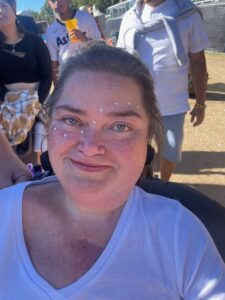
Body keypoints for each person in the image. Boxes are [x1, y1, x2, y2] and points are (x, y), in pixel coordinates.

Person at [0, 42, 224, 298]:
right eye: (72, 120)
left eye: (120, 126)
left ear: (147, 139)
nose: (91, 146)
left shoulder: (179, 234)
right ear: (49, 127)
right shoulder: (3, 214)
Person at [117, 0, 209, 181]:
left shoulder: (186, 13)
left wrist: (200, 102)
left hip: (172, 104)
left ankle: (164, 184)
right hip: (135, 104)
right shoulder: (129, 18)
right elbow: (120, 60)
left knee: (171, 151)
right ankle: (143, 178)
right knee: (135, 147)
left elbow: (198, 61)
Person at [0, 0, 52, 164]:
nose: (0, 11)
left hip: (36, 102)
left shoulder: (35, 41)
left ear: (13, 8)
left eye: (2, 6)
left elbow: (47, 76)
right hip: (7, 105)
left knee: (32, 158)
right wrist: (8, 103)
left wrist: (36, 102)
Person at [46, 0, 101, 85]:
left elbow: (102, 47)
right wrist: (57, 88)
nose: (57, 3)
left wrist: (84, 39)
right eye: (53, 0)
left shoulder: (85, 18)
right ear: (49, 4)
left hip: (91, 75)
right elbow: (54, 63)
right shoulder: (50, 31)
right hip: (68, 81)